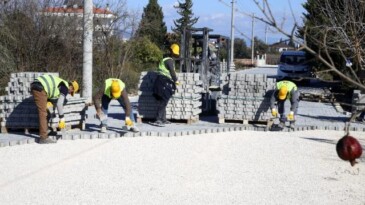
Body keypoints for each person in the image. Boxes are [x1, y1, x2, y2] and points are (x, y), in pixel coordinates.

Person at [31, 74, 79, 144]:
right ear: (71, 87)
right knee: (43, 113)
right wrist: (62, 119)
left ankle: (46, 130)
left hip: (39, 86)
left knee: (47, 111)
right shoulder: (65, 87)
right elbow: (60, 104)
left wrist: (51, 109)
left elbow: (52, 95)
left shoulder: (60, 84)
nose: (69, 93)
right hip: (40, 87)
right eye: (71, 92)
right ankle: (43, 138)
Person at [151, 43, 180, 127]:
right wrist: (176, 80)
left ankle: (163, 119)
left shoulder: (166, 59)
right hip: (163, 81)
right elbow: (172, 71)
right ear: (171, 51)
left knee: (164, 100)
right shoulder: (169, 60)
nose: (174, 55)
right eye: (174, 53)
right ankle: (158, 119)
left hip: (163, 81)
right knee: (163, 100)